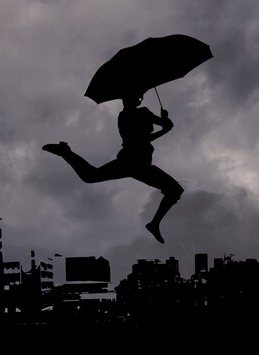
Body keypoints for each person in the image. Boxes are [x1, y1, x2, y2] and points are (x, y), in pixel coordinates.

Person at [42, 92, 183, 243]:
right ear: (134, 99)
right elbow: (145, 138)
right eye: (138, 96)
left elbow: (156, 130)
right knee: (174, 190)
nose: (139, 98)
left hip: (136, 163)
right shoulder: (135, 115)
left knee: (91, 176)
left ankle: (154, 224)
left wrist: (165, 123)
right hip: (135, 163)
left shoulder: (131, 115)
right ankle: (65, 152)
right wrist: (165, 125)